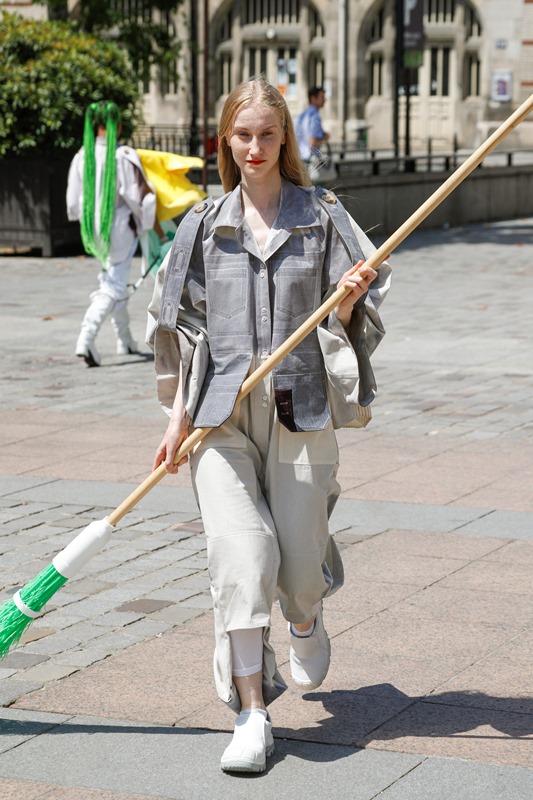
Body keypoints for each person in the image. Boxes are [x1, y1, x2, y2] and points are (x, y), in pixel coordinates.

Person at [147, 78, 391, 774]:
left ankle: (306, 616)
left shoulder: (323, 216)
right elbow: (180, 330)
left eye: (267, 134)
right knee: (242, 556)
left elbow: (357, 314)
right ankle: (251, 712)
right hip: (219, 414)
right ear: (225, 140)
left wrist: (344, 305)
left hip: (299, 404)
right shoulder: (201, 224)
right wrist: (176, 419)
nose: (254, 147)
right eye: (242, 135)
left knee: (298, 563)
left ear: (285, 138)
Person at [67, 100, 160, 366]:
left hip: (92, 229)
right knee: (114, 284)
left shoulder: (82, 156)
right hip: (119, 228)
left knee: (113, 278)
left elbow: (73, 202)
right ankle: (86, 338)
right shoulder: (122, 156)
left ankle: (124, 339)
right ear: (116, 125)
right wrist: (151, 222)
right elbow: (136, 197)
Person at [295, 85, 329, 164]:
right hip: (309, 160)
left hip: (299, 158)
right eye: (322, 97)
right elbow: (313, 141)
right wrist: (325, 137)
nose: (324, 100)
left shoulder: (302, 115)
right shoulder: (315, 116)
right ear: (313, 98)